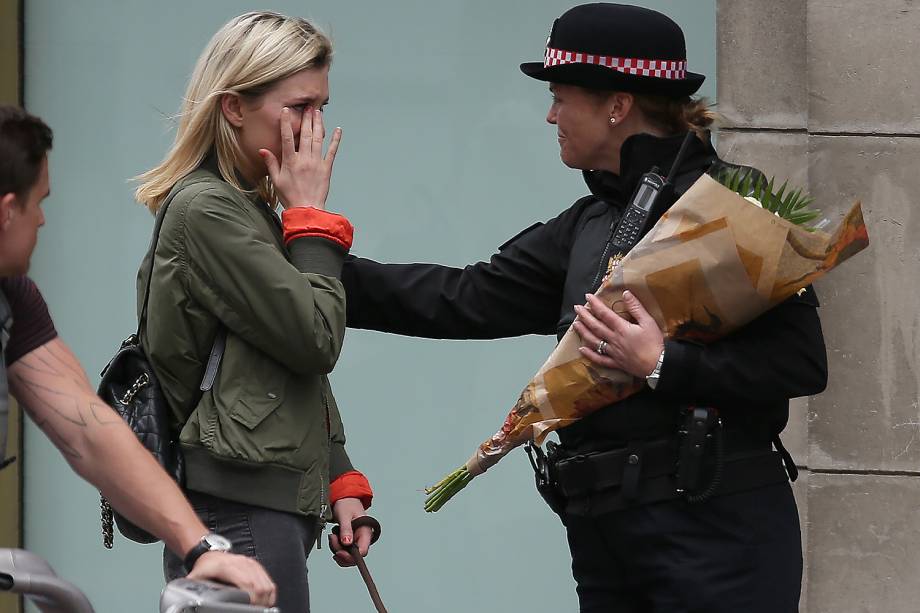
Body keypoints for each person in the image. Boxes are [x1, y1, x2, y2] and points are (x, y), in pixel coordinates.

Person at [341, 4, 827, 613]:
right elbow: (464, 298)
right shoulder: (591, 221)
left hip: (714, 534)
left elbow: (801, 364)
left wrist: (659, 362)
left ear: (616, 105)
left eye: (561, 96)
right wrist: (313, 266)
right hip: (604, 536)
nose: (550, 114)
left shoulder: (729, 208)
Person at [133, 12, 376, 613]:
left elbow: (281, 365)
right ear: (235, 106)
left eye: (321, 106)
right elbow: (315, 337)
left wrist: (338, 477)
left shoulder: (248, 208)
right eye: (298, 106)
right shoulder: (208, 210)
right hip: (235, 508)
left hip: (262, 502)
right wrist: (311, 219)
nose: (314, 127)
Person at [0, 108, 276, 605]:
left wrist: (201, 548)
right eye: (38, 203)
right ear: (5, 212)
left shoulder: (13, 301)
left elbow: (90, 427)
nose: (42, 219)